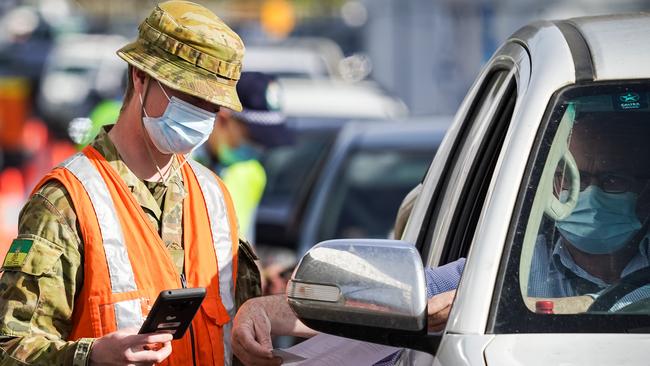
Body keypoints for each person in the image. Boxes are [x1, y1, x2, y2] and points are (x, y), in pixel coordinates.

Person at [0, 2, 261, 365]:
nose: (201, 116)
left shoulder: (213, 195)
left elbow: (236, 332)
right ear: (140, 77)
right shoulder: (67, 201)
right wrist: (91, 357)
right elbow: (12, 348)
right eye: (188, 96)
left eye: (211, 106)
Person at [529, 112, 650, 303]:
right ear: (552, 182)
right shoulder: (512, 267)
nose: (591, 196)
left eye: (613, 180)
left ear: (646, 191)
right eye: (574, 178)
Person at [195, 71, 292, 240]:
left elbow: (244, 242)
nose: (257, 149)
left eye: (264, 143)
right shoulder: (175, 160)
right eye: (252, 138)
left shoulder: (251, 173)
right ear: (223, 118)